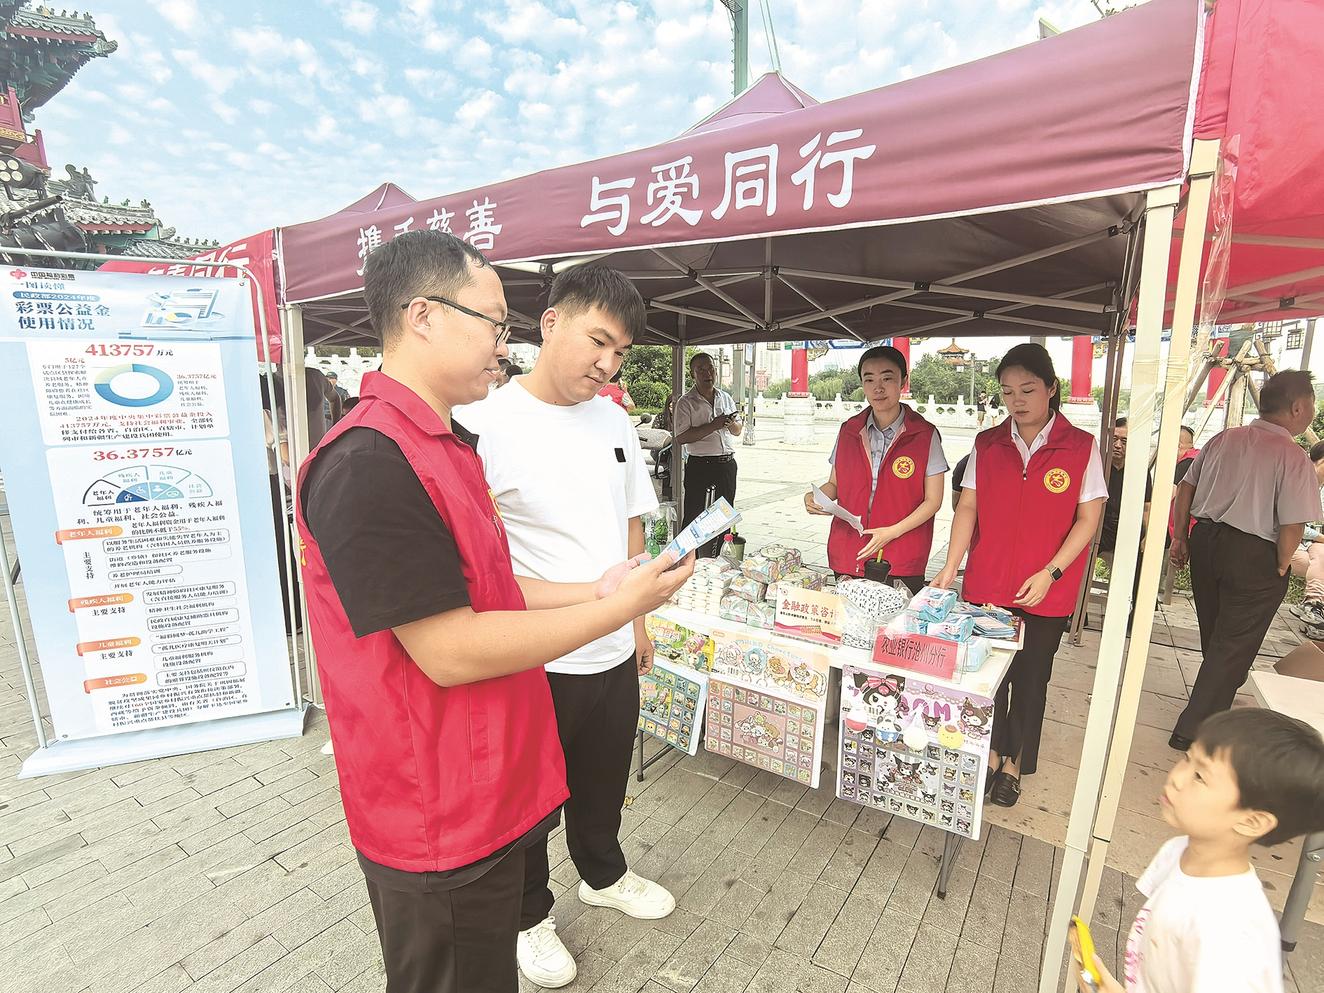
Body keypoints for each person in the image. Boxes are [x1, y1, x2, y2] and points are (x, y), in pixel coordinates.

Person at [294, 231, 694, 993]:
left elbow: (496, 589)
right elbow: (450, 648)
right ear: (422, 316)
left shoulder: (444, 445)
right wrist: (621, 604)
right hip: (435, 810)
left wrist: (607, 592)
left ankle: (599, 871)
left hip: (479, 785)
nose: (501, 345)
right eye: (493, 323)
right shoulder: (371, 462)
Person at [461, 265, 672, 989]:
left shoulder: (614, 420)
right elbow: (485, 572)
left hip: (611, 648)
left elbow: (631, 520)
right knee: (529, 803)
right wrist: (597, 601)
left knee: (603, 778)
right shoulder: (487, 426)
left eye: (621, 352)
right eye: (598, 341)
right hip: (536, 656)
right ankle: (528, 915)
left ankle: (603, 873)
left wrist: (635, 619)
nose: (608, 364)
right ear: (550, 323)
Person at [933, 343, 1107, 807]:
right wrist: (950, 565)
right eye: (1008, 391)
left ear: (1052, 388)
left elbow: (1088, 519)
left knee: (1032, 678)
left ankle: (1014, 762)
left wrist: (1052, 572)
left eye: (1028, 389)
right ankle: (990, 752)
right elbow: (968, 506)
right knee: (990, 675)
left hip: (1045, 590)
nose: (1017, 400)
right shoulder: (988, 444)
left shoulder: (1081, 447)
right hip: (987, 584)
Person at [1084, 708, 1324, 993]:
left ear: (1252, 821)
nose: (1176, 777)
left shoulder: (1232, 936)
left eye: (1199, 776)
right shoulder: (1178, 850)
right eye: (1187, 758)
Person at [1168, 370, 1320, 751]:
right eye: (1313, 403)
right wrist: (1283, 563)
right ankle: (1193, 728)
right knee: (1232, 643)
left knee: (1217, 633)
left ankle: (1215, 699)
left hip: (1206, 542)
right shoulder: (1294, 457)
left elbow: (1185, 488)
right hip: (1254, 554)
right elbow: (1293, 524)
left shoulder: (1223, 439)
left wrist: (1181, 536)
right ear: (1298, 407)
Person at [803, 345, 947, 593]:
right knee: (847, 616)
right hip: (849, 551)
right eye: (869, 380)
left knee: (897, 618)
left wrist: (892, 532)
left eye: (887, 378)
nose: (877, 388)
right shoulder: (849, 430)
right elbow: (834, 484)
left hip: (902, 553)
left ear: (903, 381)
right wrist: (814, 497)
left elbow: (933, 501)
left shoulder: (924, 435)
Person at [673, 352, 742, 556]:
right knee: (694, 514)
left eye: (710, 368)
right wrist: (713, 425)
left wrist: (729, 423)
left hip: (726, 464)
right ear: (692, 374)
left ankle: (719, 559)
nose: (707, 373)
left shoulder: (725, 397)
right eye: (701, 369)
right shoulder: (686, 402)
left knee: (724, 514)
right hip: (701, 465)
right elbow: (681, 437)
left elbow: (738, 430)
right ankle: (686, 560)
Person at [1289, 440, 1324, 636]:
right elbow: (1293, 522)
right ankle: (1314, 613)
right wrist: (1320, 537)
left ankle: (1312, 605)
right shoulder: (1297, 480)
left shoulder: (1322, 489)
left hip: (1311, 545)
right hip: (1287, 541)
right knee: (1321, 566)